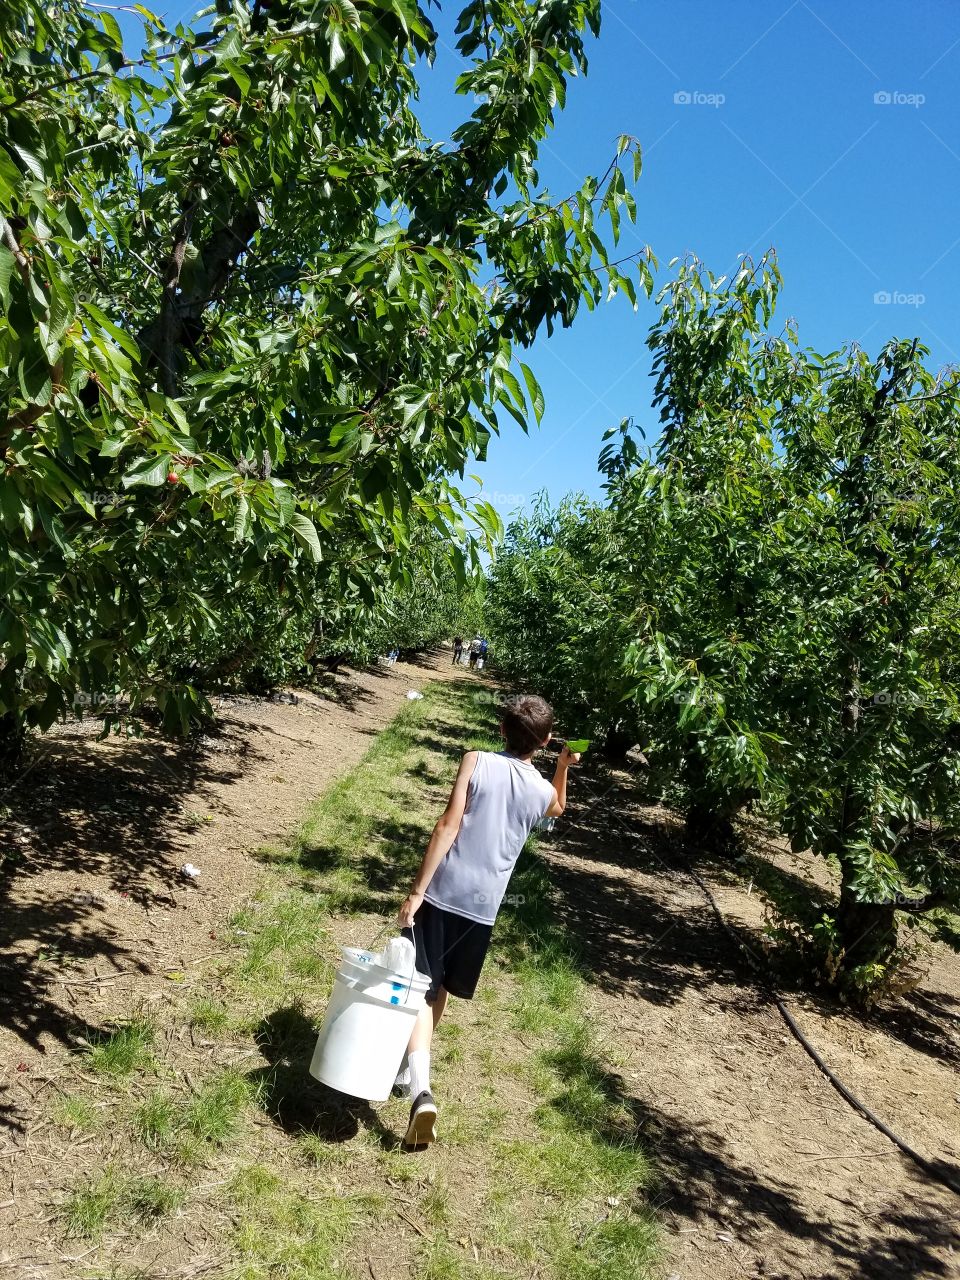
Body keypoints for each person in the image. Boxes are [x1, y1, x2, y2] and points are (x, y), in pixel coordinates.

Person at [394, 695, 580, 1148]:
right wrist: (565, 766)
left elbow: (447, 826)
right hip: (484, 906)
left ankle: (420, 1088)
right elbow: (557, 808)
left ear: (501, 730)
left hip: (445, 890)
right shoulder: (540, 790)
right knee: (438, 990)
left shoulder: (475, 761)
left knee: (422, 984)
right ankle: (406, 1073)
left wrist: (417, 891)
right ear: (547, 740)